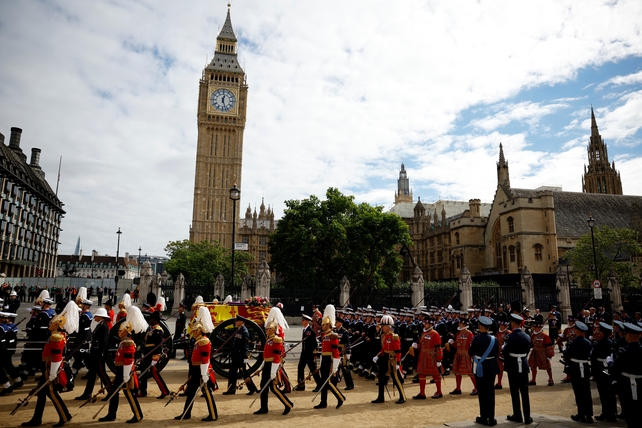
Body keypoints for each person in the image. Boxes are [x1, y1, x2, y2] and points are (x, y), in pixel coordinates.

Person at [21, 301, 78, 428]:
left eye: (53, 323)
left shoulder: (56, 337)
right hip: (49, 367)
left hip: (51, 368)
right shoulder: (58, 335)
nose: (50, 324)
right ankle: (37, 418)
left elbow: (57, 357)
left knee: (52, 394)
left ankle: (64, 416)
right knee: (42, 393)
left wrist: (52, 373)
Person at [99, 307, 146, 423]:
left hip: (126, 371)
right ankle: (111, 414)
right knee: (114, 392)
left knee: (128, 392)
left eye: (121, 331)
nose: (119, 333)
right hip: (121, 371)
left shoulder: (128, 342)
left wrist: (125, 375)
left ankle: (138, 414)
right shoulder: (124, 342)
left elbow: (128, 360)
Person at [174, 321, 218, 421]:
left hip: (202, 370)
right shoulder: (198, 340)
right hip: (196, 370)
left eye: (195, 330)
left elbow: (205, 359)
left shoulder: (204, 341)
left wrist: (203, 373)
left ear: (200, 331)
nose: (193, 332)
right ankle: (187, 413)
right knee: (191, 392)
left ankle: (213, 415)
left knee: (207, 393)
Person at [253, 320, 293, 415]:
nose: (266, 330)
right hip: (267, 365)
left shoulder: (276, 340)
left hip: (272, 366)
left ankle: (288, 404)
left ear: (273, 330)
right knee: (263, 387)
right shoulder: (269, 339)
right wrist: (260, 368)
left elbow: (276, 357)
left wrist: (273, 372)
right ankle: (264, 407)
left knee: (273, 388)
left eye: (268, 329)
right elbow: (266, 356)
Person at [75, 306, 112, 401]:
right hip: (95, 353)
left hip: (98, 354)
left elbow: (103, 342)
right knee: (92, 374)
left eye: (96, 316)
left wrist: (100, 354)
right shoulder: (101, 324)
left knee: (102, 374)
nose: (94, 317)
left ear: (100, 316)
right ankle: (87, 393)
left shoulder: (103, 326)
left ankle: (111, 391)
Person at [469, 316, 500, 427]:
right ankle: (491, 418)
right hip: (491, 366)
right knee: (490, 392)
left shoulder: (476, 338)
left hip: (480, 367)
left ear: (480, 326)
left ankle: (483, 417)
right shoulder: (494, 339)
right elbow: (496, 354)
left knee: (482, 392)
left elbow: (470, 352)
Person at [502, 313, 532, 424]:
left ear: (513, 323)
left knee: (514, 391)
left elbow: (505, 351)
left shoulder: (510, 337)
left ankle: (517, 415)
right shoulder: (527, 336)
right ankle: (527, 417)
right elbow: (528, 350)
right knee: (525, 391)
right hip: (523, 364)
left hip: (513, 365)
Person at [611, 322, 642, 427]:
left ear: (628, 335)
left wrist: (610, 362)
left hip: (626, 384)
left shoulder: (623, 350)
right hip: (640, 382)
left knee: (629, 411)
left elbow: (615, 369)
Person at [314, 305, 346, 409]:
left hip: (330, 360)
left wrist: (336, 366)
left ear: (328, 325)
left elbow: (336, 351)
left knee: (326, 381)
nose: (322, 326)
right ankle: (324, 401)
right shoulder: (324, 335)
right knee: (324, 381)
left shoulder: (333, 335)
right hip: (324, 359)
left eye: (324, 325)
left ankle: (339, 397)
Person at [563, 321, 593, 423]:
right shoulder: (589, 343)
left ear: (576, 331)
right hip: (584, 367)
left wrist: (565, 350)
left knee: (578, 392)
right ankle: (589, 415)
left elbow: (567, 354)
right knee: (586, 391)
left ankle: (581, 415)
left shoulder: (572, 342)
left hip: (575, 367)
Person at [372, 314, 405, 404]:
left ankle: (402, 396)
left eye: (384, 326)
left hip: (392, 359)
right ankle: (380, 397)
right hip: (385, 358)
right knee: (381, 377)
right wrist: (377, 356)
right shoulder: (384, 336)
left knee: (396, 378)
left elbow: (398, 351)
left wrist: (398, 363)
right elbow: (384, 349)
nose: (382, 327)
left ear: (388, 326)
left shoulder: (394, 336)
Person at [137, 311, 169, 399]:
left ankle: (165, 391)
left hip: (153, 355)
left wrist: (155, 357)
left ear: (155, 320)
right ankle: (143, 391)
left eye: (151, 319)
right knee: (143, 372)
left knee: (155, 374)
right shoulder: (152, 329)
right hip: (148, 354)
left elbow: (158, 345)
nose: (150, 320)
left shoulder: (158, 330)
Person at [413, 313, 444, 399]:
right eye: (424, 323)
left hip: (431, 356)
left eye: (426, 323)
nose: (424, 325)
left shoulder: (435, 334)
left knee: (436, 375)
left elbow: (439, 348)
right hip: (423, 356)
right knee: (421, 374)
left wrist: (439, 360)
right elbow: (421, 344)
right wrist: (417, 346)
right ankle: (422, 393)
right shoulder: (424, 333)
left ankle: (439, 391)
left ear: (430, 324)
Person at [590, 322, 617, 422]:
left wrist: (593, 371)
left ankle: (606, 413)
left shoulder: (598, 343)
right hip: (609, 368)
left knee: (603, 392)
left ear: (601, 332)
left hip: (600, 369)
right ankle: (612, 413)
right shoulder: (612, 343)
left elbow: (593, 357)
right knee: (611, 392)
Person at [223, 315, 256, 395]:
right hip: (236, 355)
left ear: (241, 322)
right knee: (232, 373)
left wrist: (245, 357)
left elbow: (245, 345)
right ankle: (231, 390)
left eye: (237, 321)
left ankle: (252, 388)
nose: (236, 322)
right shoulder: (239, 330)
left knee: (244, 372)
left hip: (240, 356)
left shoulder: (244, 331)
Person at [449, 314, 477, 395]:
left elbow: (471, 345)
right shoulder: (459, 333)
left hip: (466, 355)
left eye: (460, 323)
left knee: (470, 372)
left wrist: (471, 354)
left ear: (464, 324)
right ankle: (458, 388)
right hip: (458, 354)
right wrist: (452, 343)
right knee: (457, 371)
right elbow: (457, 344)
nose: (459, 324)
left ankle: (476, 387)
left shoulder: (469, 333)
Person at [295, 314, 321, 392]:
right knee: (300, 367)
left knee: (313, 369)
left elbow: (314, 343)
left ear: (307, 321)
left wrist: (315, 354)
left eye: (303, 320)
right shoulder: (305, 330)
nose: (302, 322)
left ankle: (319, 385)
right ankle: (301, 384)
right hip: (304, 353)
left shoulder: (310, 331)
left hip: (309, 354)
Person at [0, 312, 23, 395]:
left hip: (2, 350)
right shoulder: (6, 327)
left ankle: (7, 386)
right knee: (8, 366)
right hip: (6, 349)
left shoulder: (2, 327)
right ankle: (17, 380)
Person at [527, 321, 554, 386]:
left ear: (540, 327)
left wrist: (550, 355)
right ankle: (533, 380)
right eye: (535, 327)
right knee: (533, 366)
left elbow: (549, 346)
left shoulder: (545, 336)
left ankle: (551, 379)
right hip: (535, 352)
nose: (535, 328)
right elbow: (531, 343)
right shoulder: (533, 334)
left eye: (537, 327)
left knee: (547, 366)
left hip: (543, 353)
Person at [335, 316, 354, 390]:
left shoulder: (344, 331)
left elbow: (348, 343)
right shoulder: (335, 331)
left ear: (340, 323)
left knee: (345, 369)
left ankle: (350, 384)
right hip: (337, 351)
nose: (335, 323)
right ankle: (334, 384)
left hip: (343, 352)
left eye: (337, 322)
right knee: (336, 368)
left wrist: (348, 353)